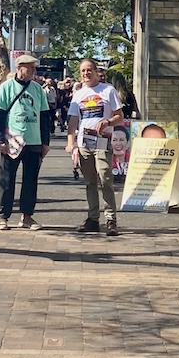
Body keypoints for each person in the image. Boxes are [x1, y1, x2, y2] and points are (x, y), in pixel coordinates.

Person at [0, 53, 51, 230]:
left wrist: (45, 142)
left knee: (30, 180)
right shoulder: (6, 87)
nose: (33, 70)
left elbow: (44, 116)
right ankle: (2, 216)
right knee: (6, 179)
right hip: (12, 141)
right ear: (19, 68)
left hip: (33, 140)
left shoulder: (38, 89)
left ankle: (27, 216)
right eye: (30, 67)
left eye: (34, 67)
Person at [66, 59, 124, 236]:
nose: (86, 74)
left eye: (89, 70)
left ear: (96, 71)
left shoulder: (108, 90)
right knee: (90, 181)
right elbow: (73, 121)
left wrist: (107, 121)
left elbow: (119, 116)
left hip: (102, 139)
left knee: (105, 177)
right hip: (85, 142)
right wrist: (71, 142)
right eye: (83, 71)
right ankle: (92, 219)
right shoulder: (78, 94)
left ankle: (111, 219)